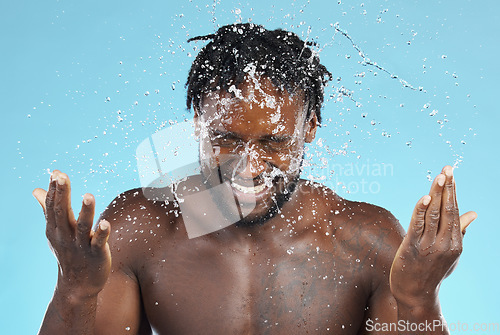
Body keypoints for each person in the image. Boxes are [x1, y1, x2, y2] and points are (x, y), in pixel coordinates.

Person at [33, 23, 476, 334]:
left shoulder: (366, 240)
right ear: (197, 125)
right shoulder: (141, 228)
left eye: (274, 142)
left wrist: (419, 301)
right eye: (225, 139)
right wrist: (74, 290)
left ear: (310, 127)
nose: (249, 167)